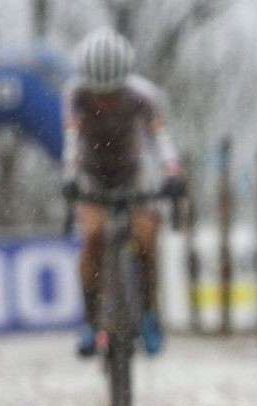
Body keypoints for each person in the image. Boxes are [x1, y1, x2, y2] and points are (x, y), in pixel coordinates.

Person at [62, 28, 185, 357]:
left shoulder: (144, 95)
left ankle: (147, 312)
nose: (104, 100)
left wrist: (172, 172)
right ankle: (90, 321)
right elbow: (71, 141)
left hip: (134, 171)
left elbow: (161, 139)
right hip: (92, 172)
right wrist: (70, 175)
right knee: (93, 236)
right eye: (98, 93)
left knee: (146, 239)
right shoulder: (75, 94)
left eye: (112, 93)